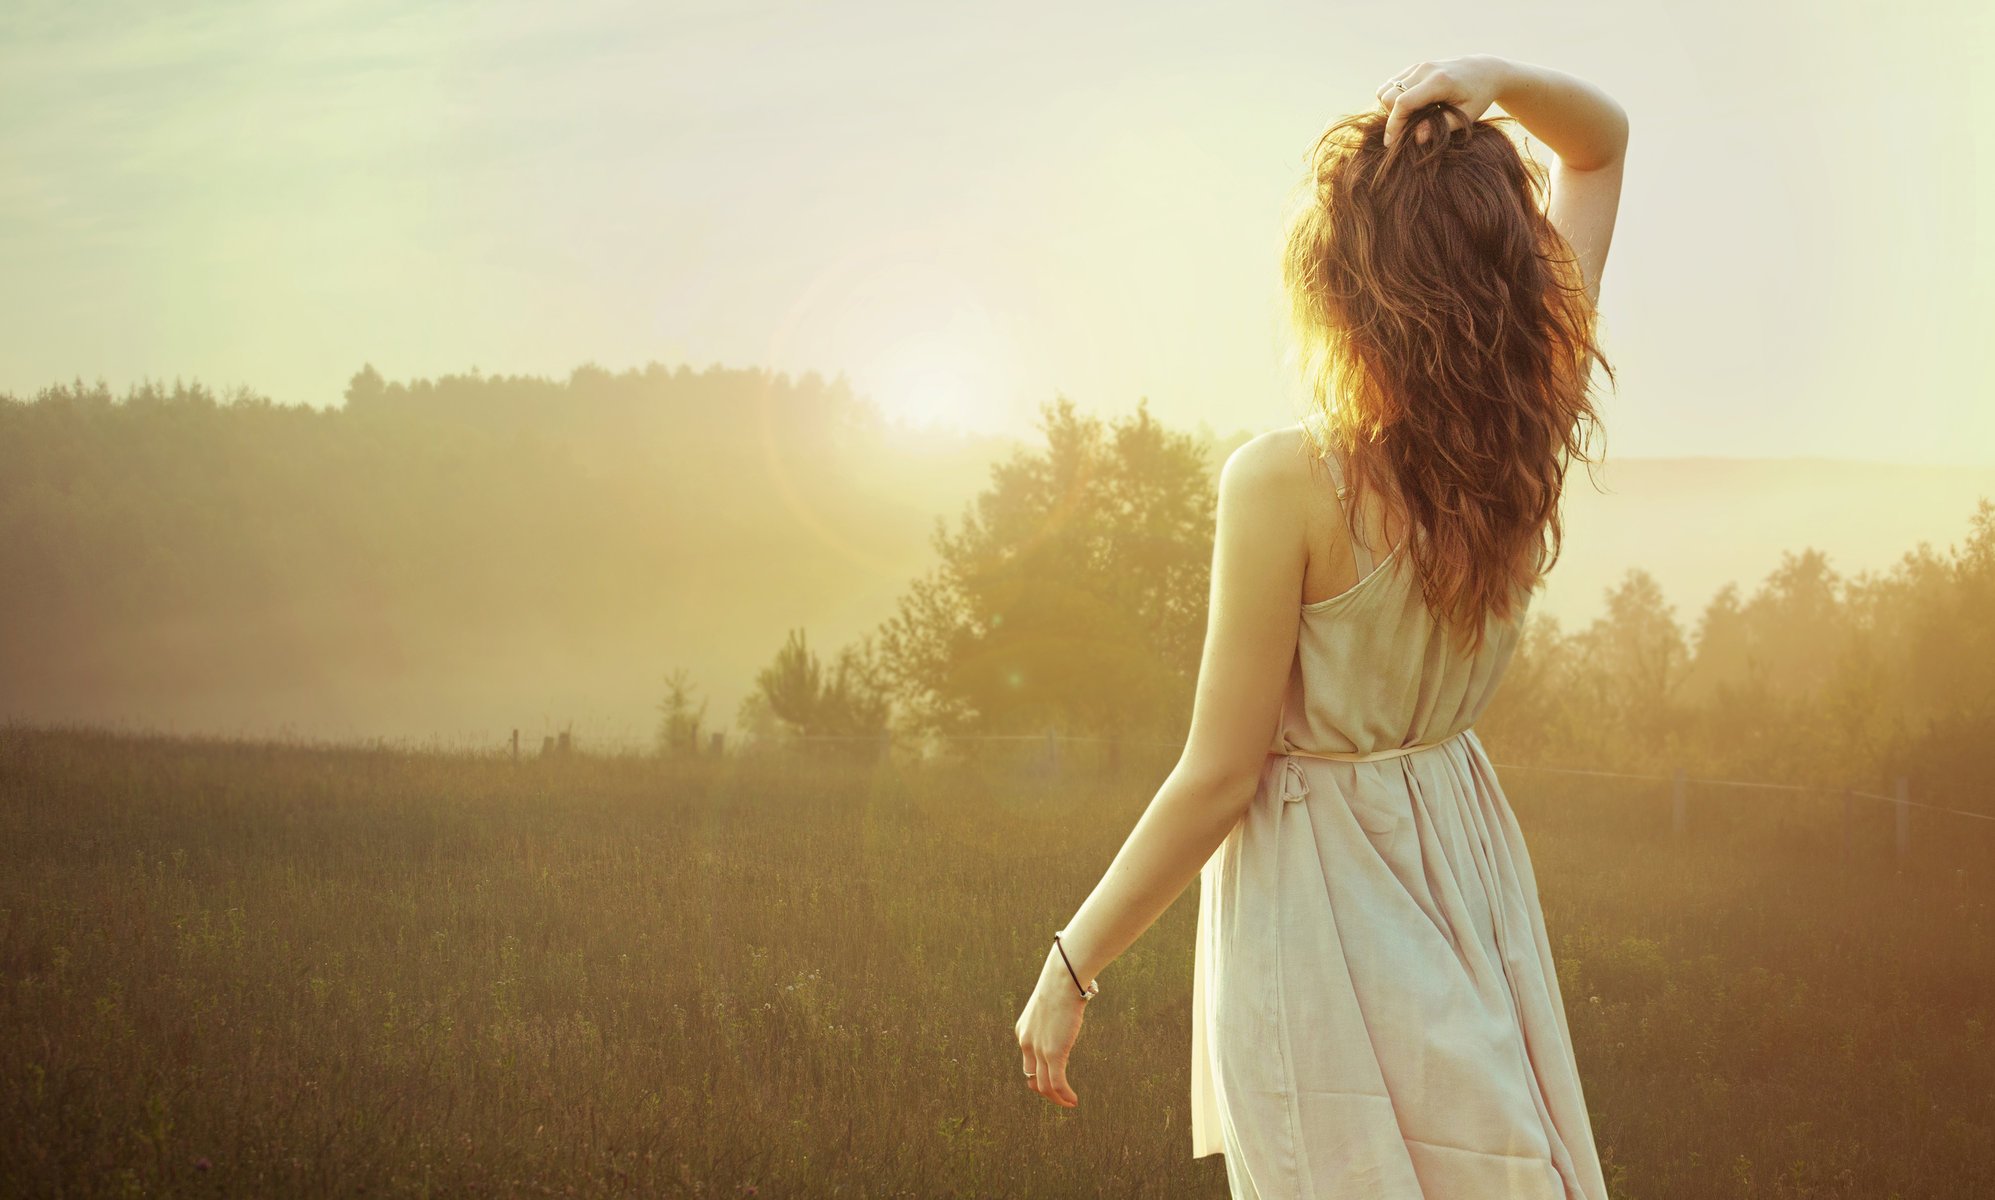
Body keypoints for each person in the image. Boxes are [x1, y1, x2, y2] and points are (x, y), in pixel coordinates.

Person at [1013, 54, 1628, 1198]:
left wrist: (1072, 963)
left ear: (1348, 285)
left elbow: (1217, 775)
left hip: (1319, 896)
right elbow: (1600, 145)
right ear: (1505, 274)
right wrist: (1494, 75)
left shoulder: (1288, 482)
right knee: (1499, 1161)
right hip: (1461, 854)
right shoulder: (1526, 424)